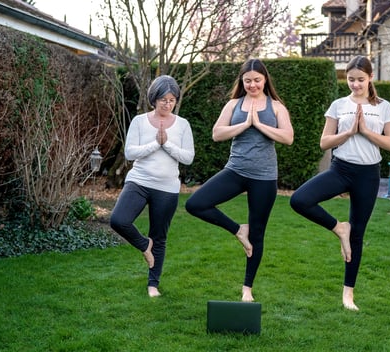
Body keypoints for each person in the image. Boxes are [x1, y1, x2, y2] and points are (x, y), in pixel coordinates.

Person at [290, 55, 390, 311]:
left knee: (358, 234)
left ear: (370, 78)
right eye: (351, 79)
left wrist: (366, 132)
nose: (355, 85)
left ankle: (348, 294)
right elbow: (324, 142)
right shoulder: (339, 104)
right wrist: (348, 132)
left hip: (368, 174)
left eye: (360, 79)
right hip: (340, 169)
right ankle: (339, 228)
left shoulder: (383, 106)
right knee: (300, 200)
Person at [185, 58, 294, 302]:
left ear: (265, 80)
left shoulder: (276, 107)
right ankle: (237, 229)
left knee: (258, 233)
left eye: (257, 80)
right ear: (241, 81)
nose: (252, 85)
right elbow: (217, 133)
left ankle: (247, 289)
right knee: (196, 204)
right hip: (235, 171)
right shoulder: (234, 104)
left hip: (264, 178)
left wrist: (260, 125)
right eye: (247, 81)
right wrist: (245, 124)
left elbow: (288, 138)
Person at [110, 75, 195, 298]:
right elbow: (130, 153)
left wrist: (167, 144)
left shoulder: (183, 125)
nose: (167, 104)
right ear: (153, 99)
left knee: (160, 237)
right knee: (118, 220)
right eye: (163, 100)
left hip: (167, 188)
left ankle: (153, 285)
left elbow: (188, 157)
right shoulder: (139, 121)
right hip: (139, 181)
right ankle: (143, 244)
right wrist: (155, 143)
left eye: (171, 100)